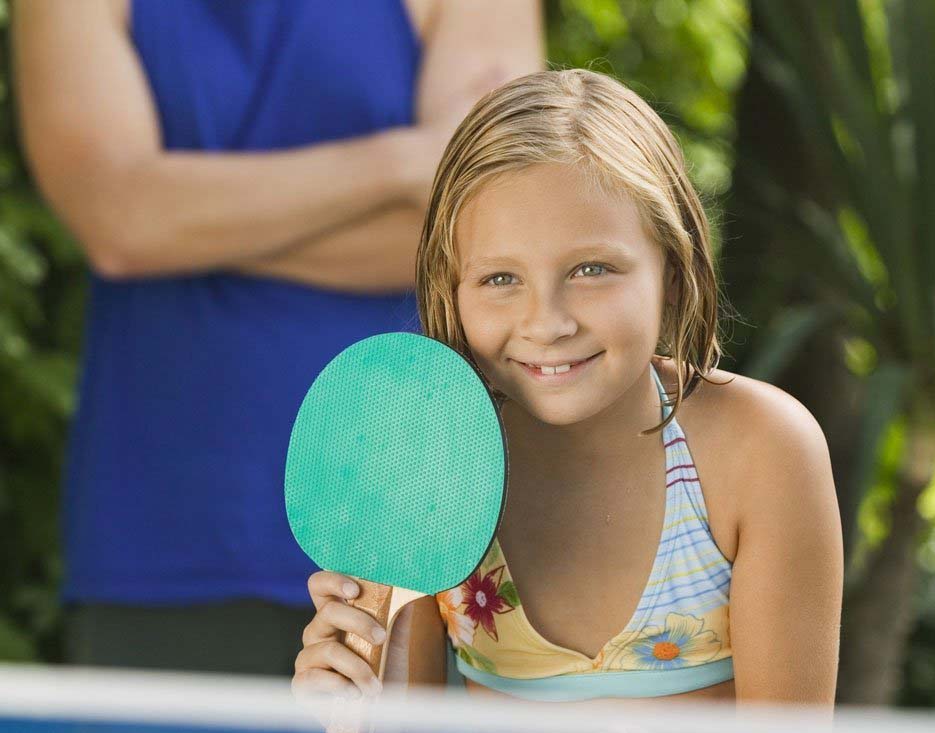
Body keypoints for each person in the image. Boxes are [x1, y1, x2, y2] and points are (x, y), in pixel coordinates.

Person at [295, 69, 844, 733]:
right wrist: (354, 721)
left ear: (674, 265)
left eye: (593, 269)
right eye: (500, 279)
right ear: (454, 291)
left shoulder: (759, 448)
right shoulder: (424, 458)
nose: (546, 322)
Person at [12, 0, 544, 674]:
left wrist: (179, 224)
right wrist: (402, 160)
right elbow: (117, 222)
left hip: (424, 509)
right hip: (171, 520)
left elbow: (491, 240)